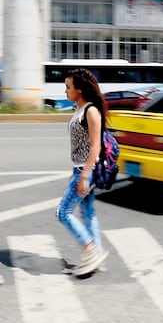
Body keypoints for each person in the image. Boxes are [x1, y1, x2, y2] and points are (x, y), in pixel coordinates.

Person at [57, 68, 110, 277]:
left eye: (68, 87)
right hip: (79, 168)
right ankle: (96, 257)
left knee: (62, 212)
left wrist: (85, 175)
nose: (65, 91)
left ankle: (90, 250)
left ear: (79, 89)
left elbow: (95, 146)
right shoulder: (78, 109)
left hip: (87, 170)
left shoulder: (91, 111)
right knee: (88, 213)